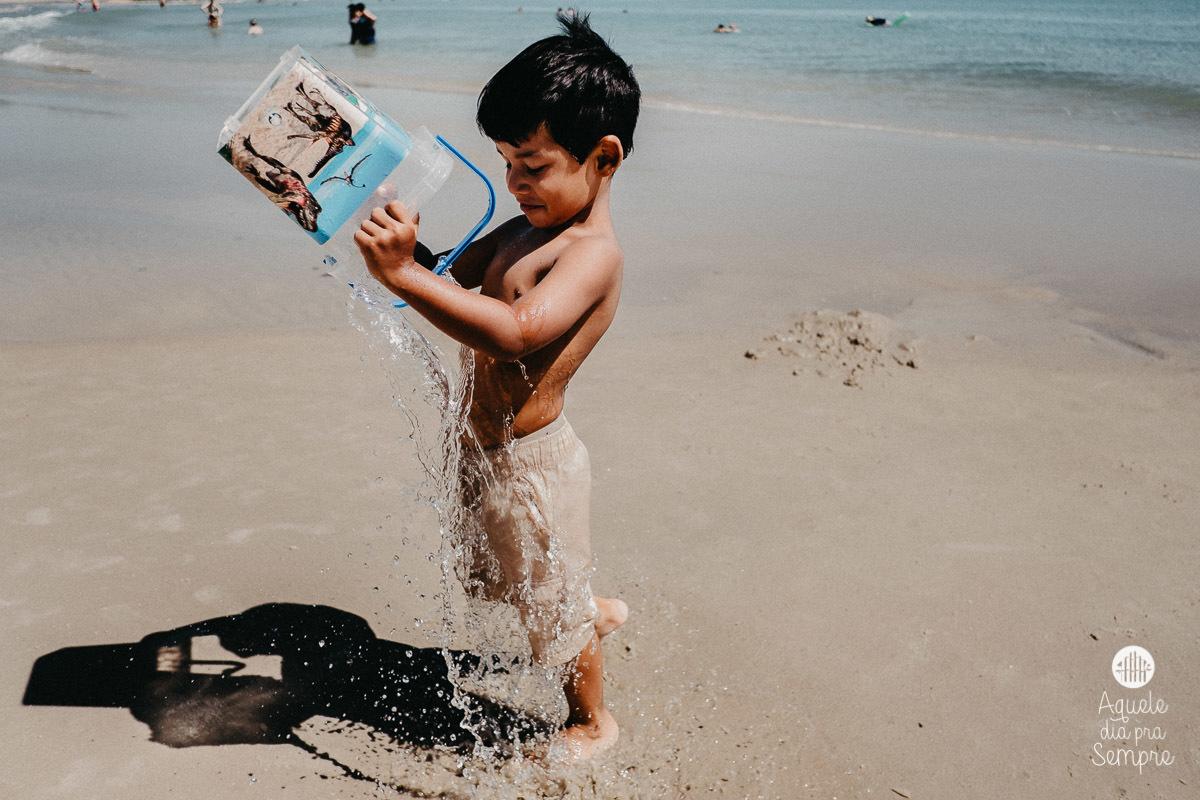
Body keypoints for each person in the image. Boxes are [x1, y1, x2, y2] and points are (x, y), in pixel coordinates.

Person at [354, 12, 639, 763]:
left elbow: (514, 331)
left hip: (535, 465)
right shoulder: (520, 230)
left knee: (551, 616)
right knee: (499, 579)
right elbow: (450, 274)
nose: (515, 182)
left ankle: (591, 721)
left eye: (535, 164)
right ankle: (590, 605)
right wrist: (406, 249)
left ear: (603, 157)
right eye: (508, 161)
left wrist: (405, 277)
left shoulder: (590, 255)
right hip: (482, 448)